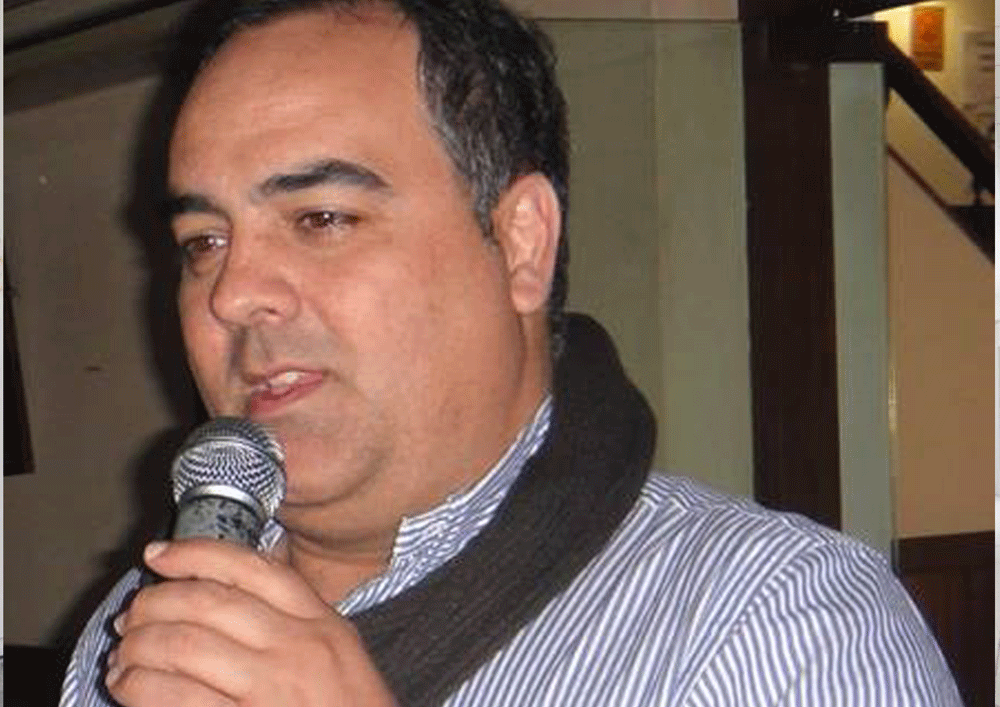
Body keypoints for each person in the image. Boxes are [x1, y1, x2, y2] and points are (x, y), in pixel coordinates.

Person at [61, 1, 963, 705]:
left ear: (522, 242)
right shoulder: (136, 627)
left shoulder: (777, 625)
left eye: (322, 217)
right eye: (204, 241)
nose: (232, 293)